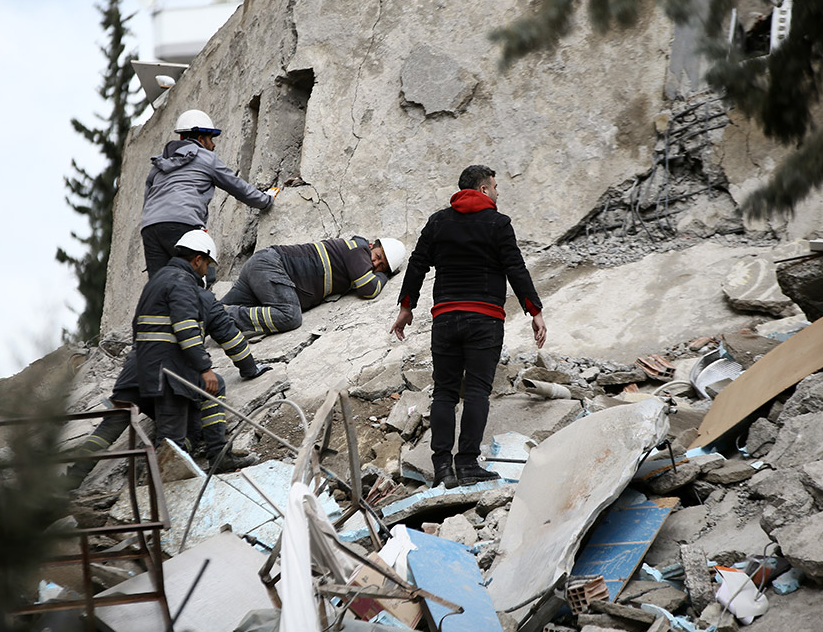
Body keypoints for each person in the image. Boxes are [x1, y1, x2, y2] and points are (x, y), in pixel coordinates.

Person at [67, 230, 272, 487]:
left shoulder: (157, 281)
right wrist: (229, 369)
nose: (206, 271)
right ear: (197, 259)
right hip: (168, 374)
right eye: (207, 264)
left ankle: (71, 480)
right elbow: (193, 329)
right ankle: (196, 468)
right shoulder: (188, 287)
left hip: (136, 369)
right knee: (177, 435)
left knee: (109, 427)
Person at [389, 165, 547, 488]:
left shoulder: (438, 223)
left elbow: (417, 263)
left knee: (445, 392)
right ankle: (467, 463)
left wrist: (407, 307)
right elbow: (515, 268)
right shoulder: (498, 224)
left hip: (445, 318)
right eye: (496, 186)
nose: (498, 193)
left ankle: (443, 466)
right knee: (476, 391)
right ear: (484, 189)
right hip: (485, 320)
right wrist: (535, 311)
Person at [141, 109, 276, 277]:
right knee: (201, 274)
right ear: (200, 139)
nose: (213, 145)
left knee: (159, 285)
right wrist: (266, 200)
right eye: (210, 139)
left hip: (150, 227)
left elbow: (148, 198)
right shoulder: (206, 158)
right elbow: (237, 186)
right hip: (183, 222)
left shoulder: (160, 163)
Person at [221, 236, 407, 335]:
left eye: (381, 266)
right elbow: (369, 289)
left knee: (210, 313)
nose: (375, 264)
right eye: (378, 257)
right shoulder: (358, 250)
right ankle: (229, 314)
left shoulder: (358, 256)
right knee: (290, 316)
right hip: (272, 266)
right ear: (373, 244)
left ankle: (217, 314)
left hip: (265, 267)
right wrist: (384, 274)